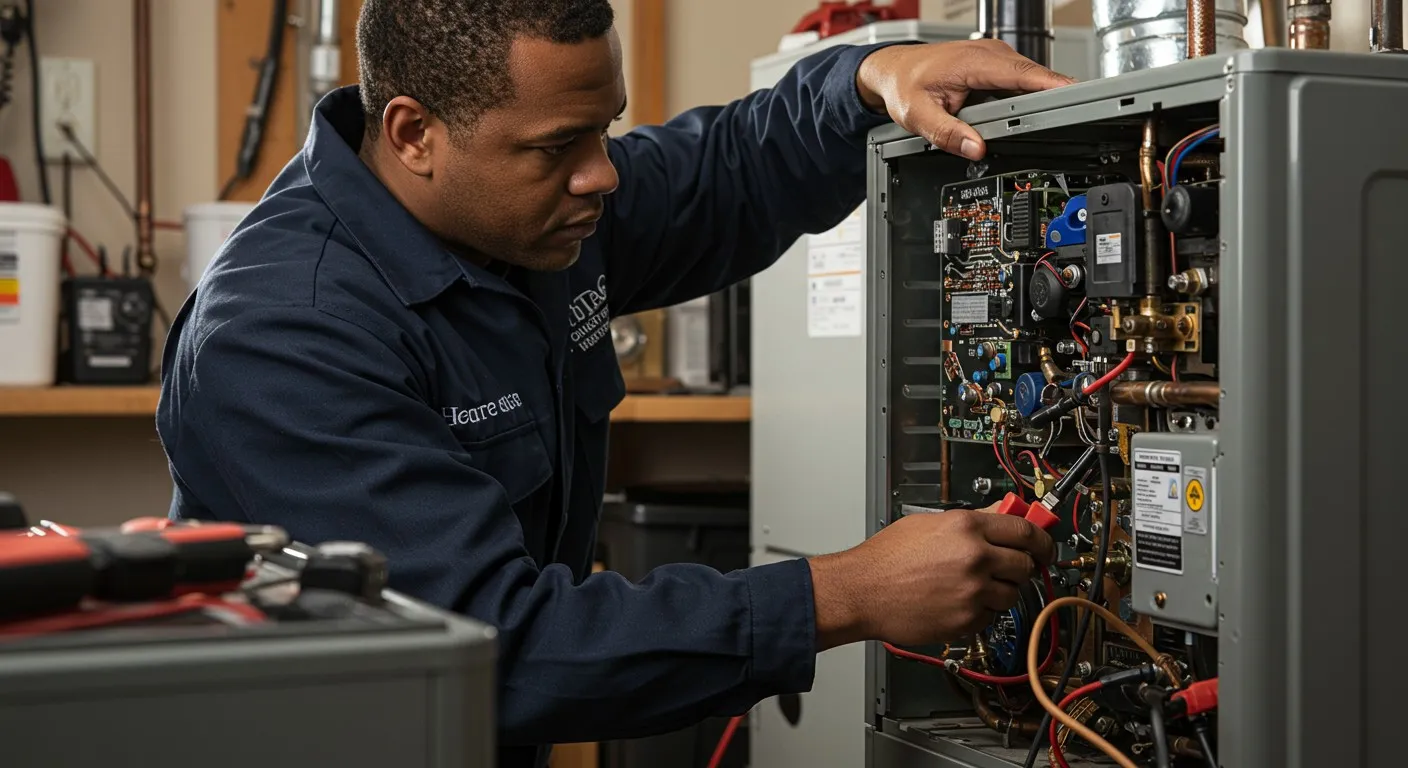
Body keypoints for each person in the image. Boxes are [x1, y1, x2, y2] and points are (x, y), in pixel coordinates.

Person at [156, 2, 1073, 766]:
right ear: (414, 134)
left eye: (606, 130)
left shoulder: (523, 210)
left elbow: (728, 172)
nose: (600, 174)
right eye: (559, 146)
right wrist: (845, 593)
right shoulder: (289, 334)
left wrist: (870, 78)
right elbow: (495, 647)